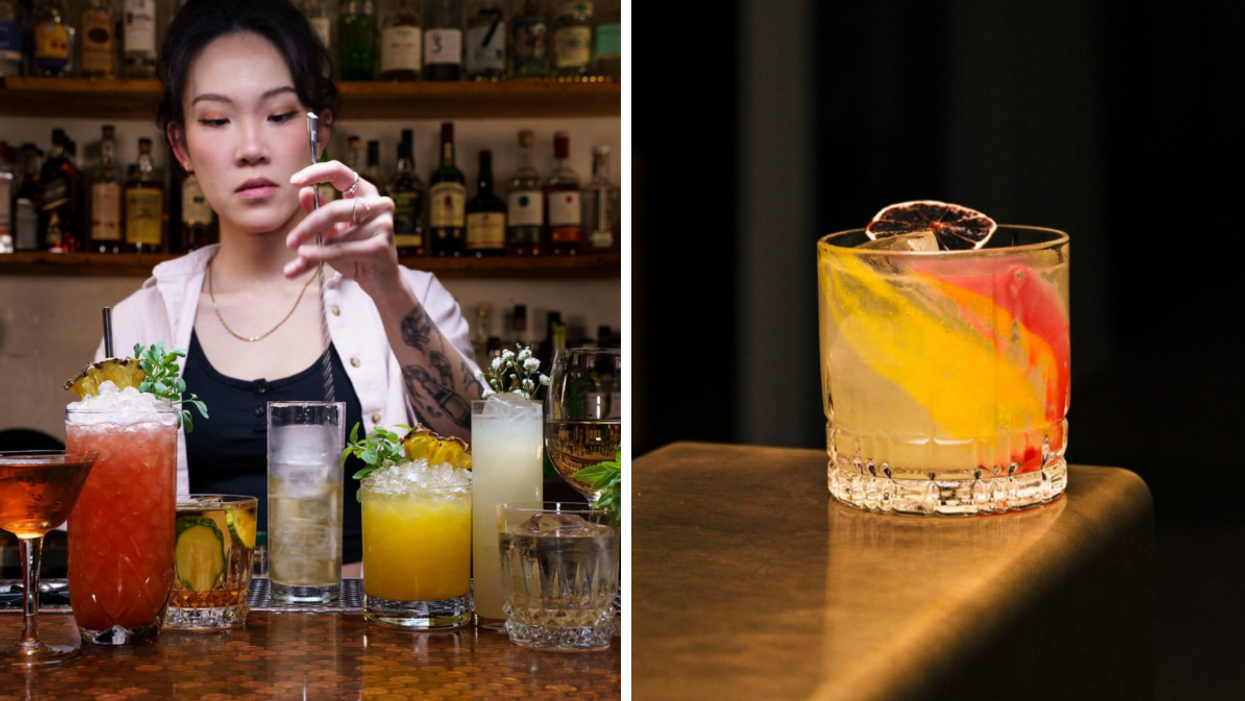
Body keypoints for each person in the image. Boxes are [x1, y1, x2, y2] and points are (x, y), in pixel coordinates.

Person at [96, 0, 484, 573]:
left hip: (380, 639)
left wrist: (387, 288)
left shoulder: (412, 298)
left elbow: (487, 455)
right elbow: (105, 518)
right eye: (215, 119)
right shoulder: (135, 325)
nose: (250, 146)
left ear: (318, 131)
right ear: (180, 147)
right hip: (199, 641)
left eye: (278, 115)